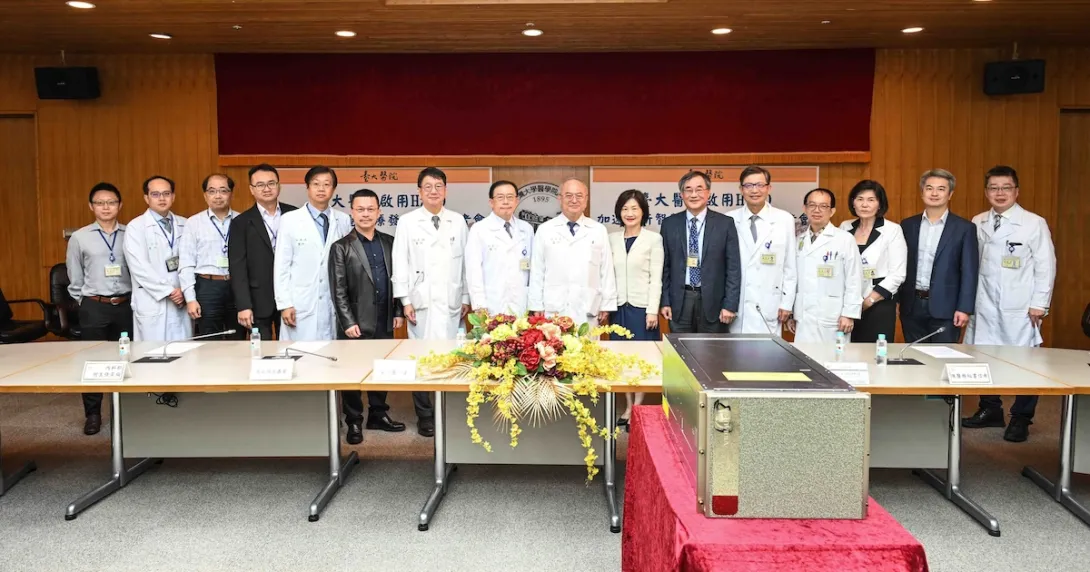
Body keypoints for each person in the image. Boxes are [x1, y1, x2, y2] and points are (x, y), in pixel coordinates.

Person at [962, 165, 1056, 442]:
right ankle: (990, 409)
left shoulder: (1033, 223)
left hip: (1019, 306)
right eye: (994, 188)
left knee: (1026, 362)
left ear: (1017, 191)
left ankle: (1021, 417)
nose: (1000, 193)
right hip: (984, 303)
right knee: (982, 357)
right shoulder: (977, 221)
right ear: (986, 192)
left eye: (1006, 187)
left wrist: (1039, 303)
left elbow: (1046, 266)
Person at [329, 189, 417, 443]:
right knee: (352, 373)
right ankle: (354, 421)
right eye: (360, 209)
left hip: (384, 317)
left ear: (379, 212)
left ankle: (378, 414)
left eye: (371, 209)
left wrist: (398, 311)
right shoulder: (341, 247)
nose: (366, 214)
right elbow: (338, 289)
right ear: (352, 212)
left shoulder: (390, 242)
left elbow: (399, 279)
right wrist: (347, 322)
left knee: (383, 369)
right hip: (355, 322)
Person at [391, 167, 470, 437]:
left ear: (446, 191)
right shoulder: (407, 221)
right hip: (420, 303)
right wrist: (404, 299)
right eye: (428, 187)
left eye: (438, 186)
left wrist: (466, 297)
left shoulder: (458, 221)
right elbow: (400, 261)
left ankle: (450, 411)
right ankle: (425, 415)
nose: (433, 191)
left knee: (453, 357)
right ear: (419, 192)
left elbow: (466, 265)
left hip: (452, 301)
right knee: (420, 358)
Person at [66, 182, 133, 435]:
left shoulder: (131, 233)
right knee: (92, 362)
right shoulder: (80, 237)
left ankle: (127, 412)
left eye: (111, 202)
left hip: (126, 305)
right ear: (91, 206)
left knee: (127, 360)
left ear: (120, 205)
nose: (106, 207)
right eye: (100, 203)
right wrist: (85, 300)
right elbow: (75, 275)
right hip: (95, 305)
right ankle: (93, 414)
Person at [899, 169, 979, 344]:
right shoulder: (907, 225)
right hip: (912, 305)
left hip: (947, 308)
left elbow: (969, 272)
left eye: (941, 189)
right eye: (929, 188)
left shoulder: (964, 228)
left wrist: (964, 308)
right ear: (922, 192)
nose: (934, 193)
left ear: (950, 194)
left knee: (943, 359)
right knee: (915, 360)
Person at [274, 166, 352, 342]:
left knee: (332, 355)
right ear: (307, 188)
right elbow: (281, 266)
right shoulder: (290, 220)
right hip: (300, 302)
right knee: (300, 355)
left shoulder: (343, 220)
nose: (321, 189)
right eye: (316, 184)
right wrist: (285, 304)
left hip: (332, 300)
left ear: (334, 189)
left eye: (327, 184)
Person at [528, 177, 617, 327]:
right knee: (554, 348)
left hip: (588, 307)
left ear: (586, 199)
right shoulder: (545, 230)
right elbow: (537, 270)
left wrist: (607, 304)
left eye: (579, 196)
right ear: (560, 199)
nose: (574, 200)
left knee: (589, 348)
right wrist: (536, 304)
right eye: (568, 196)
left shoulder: (598, 230)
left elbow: (606, 269)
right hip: (554, 308)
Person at [659, 170, 741, 333]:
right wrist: (665, 301)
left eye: (699, 189)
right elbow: (665, 267)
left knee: (712, 355)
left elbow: (733, 268)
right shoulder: (670, 224)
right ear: (682, 194)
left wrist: (730, 305)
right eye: (688, 190)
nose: (694, 194)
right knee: (679, 353)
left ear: (708, 193)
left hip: (714, 302)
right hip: (679, 302)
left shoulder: (725, 224)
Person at [608, 189, 662, 429]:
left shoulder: (653, 239)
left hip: (642, 309)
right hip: (618, 308)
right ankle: (628, 406)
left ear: (643, 212)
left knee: (641, 360)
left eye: (634, 209)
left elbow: (656, 278)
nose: (629, 213)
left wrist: (653, 309)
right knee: (621, 360)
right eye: (625, 209)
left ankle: (638, 407)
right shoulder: (611, 238)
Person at [229, 164, 297, 341]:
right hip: (258, 300)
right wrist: (244, 305)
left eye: (271, 183)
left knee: (294, 348)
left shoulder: (295, 215)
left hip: (292, 299)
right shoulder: (241, 223)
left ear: (279, 186)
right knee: (261, 352)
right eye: (260, 185)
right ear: (251, 189)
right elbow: (238, 268)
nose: (266, 189)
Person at [727, 165, 797, 335]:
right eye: (749, 185)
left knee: (768, 357)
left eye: (759, 185)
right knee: (734, 357)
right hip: (738, 304)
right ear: (741, 189)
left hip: (770, 302)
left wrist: (786, 303)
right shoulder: (729, 219)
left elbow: (790, 266)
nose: (754, 190)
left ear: (768, 188)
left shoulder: (784, 219)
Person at [788, 188, 862, 343]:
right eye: (812, 205)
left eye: (823, 206)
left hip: (833, 316)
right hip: (803, 316)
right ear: (805, 209)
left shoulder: (844, 239)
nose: (817, 210)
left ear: (832, 211)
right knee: (804, 362)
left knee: (834, 363)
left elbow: (854, 279)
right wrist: (792, 313)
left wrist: (849, 314)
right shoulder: (798, 240)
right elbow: (793, 278)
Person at [123, 175, 190, 342]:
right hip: (153, 300)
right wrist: (169, 291)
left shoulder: (185, 224)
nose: (162, 198)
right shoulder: (136, 227)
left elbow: (192, 260)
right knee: (152, 356)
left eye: (166, 193)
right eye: (155, 194)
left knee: (184, 354)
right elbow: (139, 267)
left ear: (173, 197)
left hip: (182, 297)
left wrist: (184, 289)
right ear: (146, 198)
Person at [839, 180, 907, 342]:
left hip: (879, 304)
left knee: (875, 355)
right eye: (860, 199)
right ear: (853, 202)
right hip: (848, 304)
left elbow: (898, 273)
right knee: (846, 353)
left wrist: (869, 300)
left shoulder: (892, 230)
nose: (864, 204)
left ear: (879, 204)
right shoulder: (845, 227)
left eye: (871, 200)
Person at [180, 174, 240, 339]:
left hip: (236, 286)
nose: (218, 196)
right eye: (212, 191)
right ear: (205, 195)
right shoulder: (194, 223)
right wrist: (190, 298)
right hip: (207, 286)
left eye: (223, 191)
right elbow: (186, 262)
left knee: (237, 337)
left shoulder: (242, 220)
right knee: (209, 340)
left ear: (231, 194)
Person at [464, 180, 534, 317]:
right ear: (491, 202)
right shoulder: (479, 229)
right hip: (491, 304)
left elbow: (532, 268)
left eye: (510, 197)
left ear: (517, 201)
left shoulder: (526, 229)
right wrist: (479, 305)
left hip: (520, 303)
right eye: (500, 197)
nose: (506, 202)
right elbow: (473, 271)